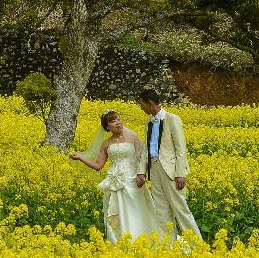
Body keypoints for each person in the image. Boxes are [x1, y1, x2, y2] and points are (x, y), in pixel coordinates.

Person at [70, 110, 163, 243]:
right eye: (113, 121)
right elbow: (98, 166)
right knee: (118, 212)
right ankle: (121, 241)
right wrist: (81, 157)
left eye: (118, 119)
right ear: (107, 127)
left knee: (137, 210)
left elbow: (142, 157)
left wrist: (141, 174)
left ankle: (145, 239)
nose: (117, 123)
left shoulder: (133, 136)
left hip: (133, 180)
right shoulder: (106, 144)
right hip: (115, 182)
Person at [136, 89, 202, 240]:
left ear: (150, 103)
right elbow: (147, 147)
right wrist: (141, 171)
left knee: (181, 210)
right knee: (161, 211)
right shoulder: (148, 122)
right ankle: (167, 247)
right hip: (155, 169)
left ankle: (198, 247)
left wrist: (180, 173)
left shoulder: (173, 119)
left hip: (171, 171)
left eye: (142, 104)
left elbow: (181, 148)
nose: (141, 108)